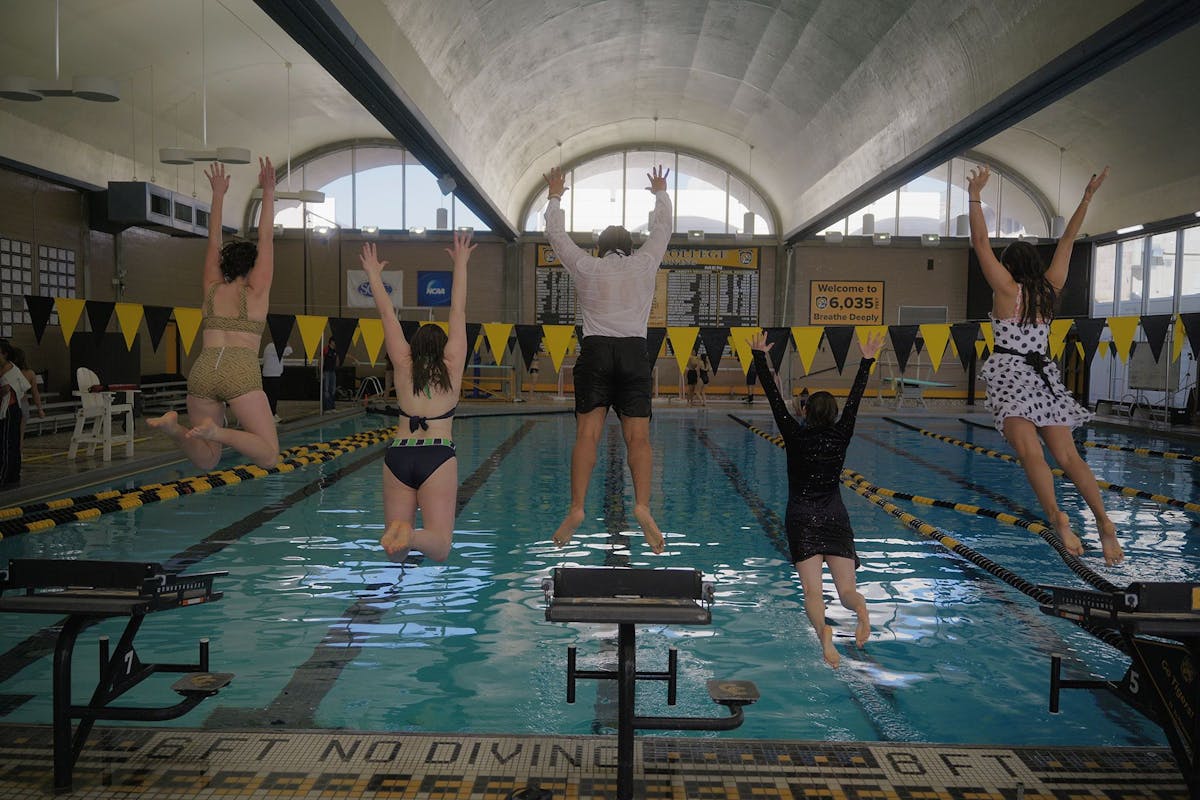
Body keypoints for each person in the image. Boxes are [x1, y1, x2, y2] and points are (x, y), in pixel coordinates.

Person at [968, 165, 1123, 567]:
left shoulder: (1006, 289)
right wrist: (1087, 197)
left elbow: (981, 242)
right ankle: (1105, 522)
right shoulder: (1050, 289)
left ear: (1009, 267)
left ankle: (1058, 517)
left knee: (1031, 455)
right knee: (1070, 459)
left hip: (1013, 377)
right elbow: (1069, 239)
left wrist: (974, 196)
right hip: (1045, 379)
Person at [543, 164, 672, 553]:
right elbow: (663, 230)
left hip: (595, 352)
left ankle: (578, 507)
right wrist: (660, 194)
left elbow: (556, 235)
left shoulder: (586, 265)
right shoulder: (644, 263)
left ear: (600, 247)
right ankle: (643, 505)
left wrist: (555, 195)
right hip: (634, 353)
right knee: (639, 439)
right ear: (630, 247)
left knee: (587, 436)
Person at [751, 329, 884, 668]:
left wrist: (759, 357)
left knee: (813, 593)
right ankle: (861, 610)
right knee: (846, 591)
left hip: (801, 517)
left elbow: (774, 399)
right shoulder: (842, 433)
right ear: (836, 414)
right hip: (835, 516)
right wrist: (867, 360)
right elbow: (855, 399)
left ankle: (823, 631)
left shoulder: (793, 434)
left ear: (806, 411)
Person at [149, 159, 280, 470]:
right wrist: (269, 191)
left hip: (204, 368)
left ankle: (174, 427)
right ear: (252, 269)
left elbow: (213, 241)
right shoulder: (256, 291)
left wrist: (218, 194)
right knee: (270, 456)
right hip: (240, 368)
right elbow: (266, 239)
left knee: (207, 459)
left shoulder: (210, 287)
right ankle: (219, 431)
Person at [359, 232, 474, 562]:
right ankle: (411, 534)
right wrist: (462, 263)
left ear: (415, 346)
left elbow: (386, 315)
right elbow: (458, 310)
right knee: (439, 546)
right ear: (442, 348)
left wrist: (373, 276)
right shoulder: (451, 366)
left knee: (395, 554)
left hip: (398, 454)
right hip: (436, 454)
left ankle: (403, 532)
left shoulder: (403, 363)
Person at [261, 341, 292, 421]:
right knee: (271, 397)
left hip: (273, 375)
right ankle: (270, 415)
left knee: (273, 397)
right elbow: (289, 351)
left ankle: (273, 414)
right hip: (272, 376)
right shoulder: (272, 347)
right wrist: (287, 343)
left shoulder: (273, 347)